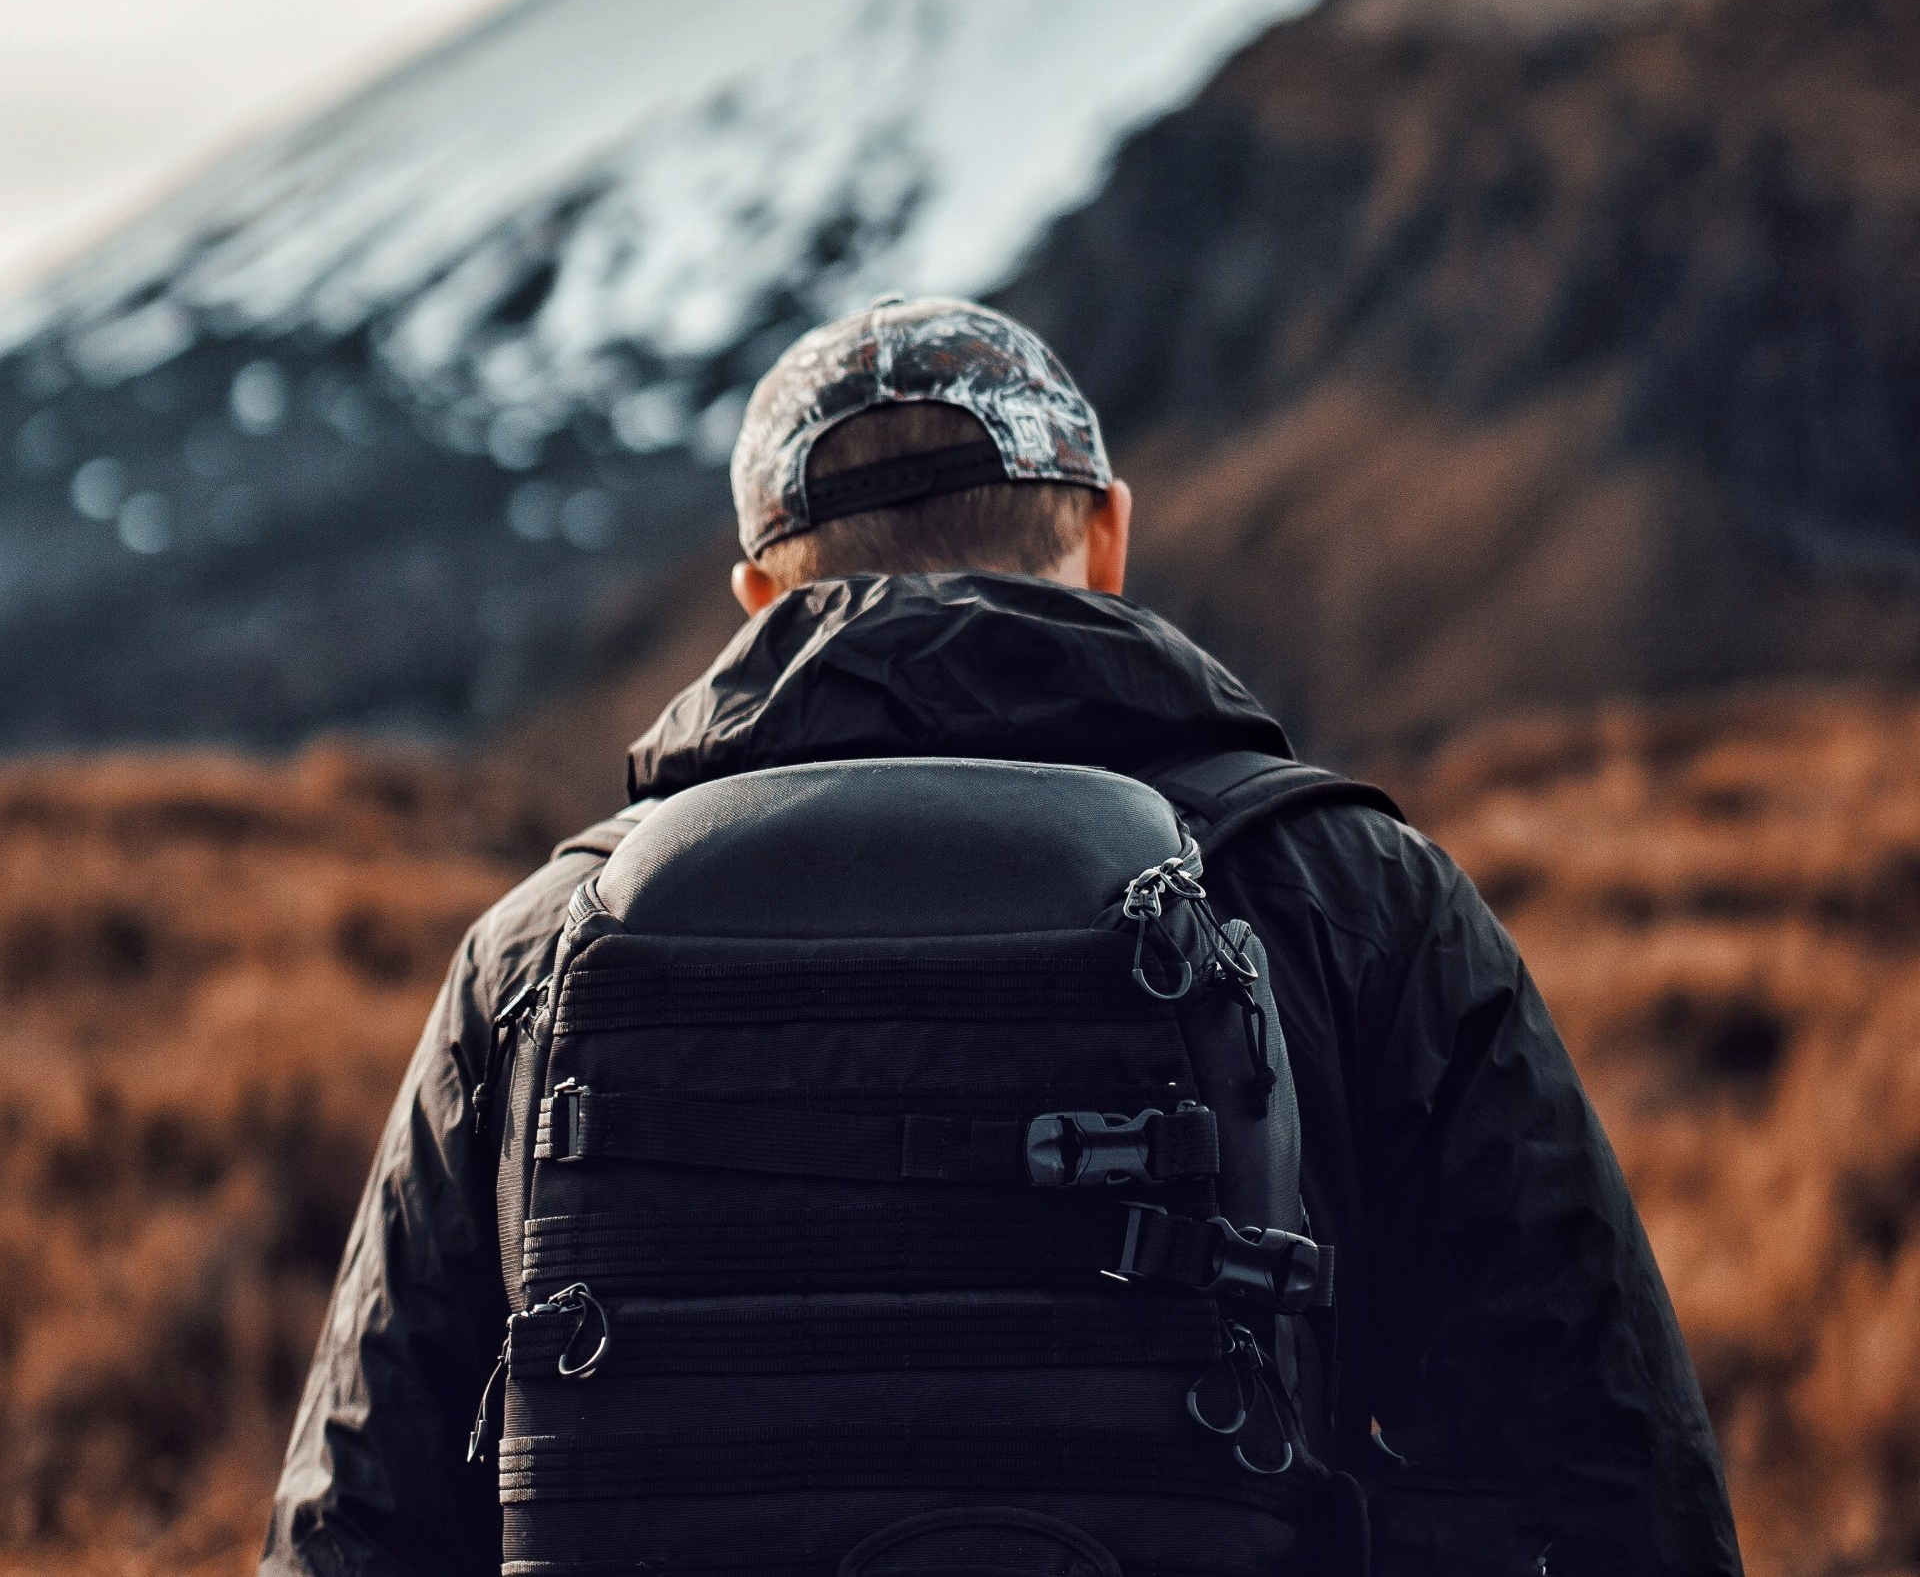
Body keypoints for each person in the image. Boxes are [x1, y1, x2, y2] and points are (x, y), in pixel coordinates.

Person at [260, 296, 1743, 1576]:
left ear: (760, 594)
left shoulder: (537, 950)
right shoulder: (1354, 894)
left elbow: (357, 1525)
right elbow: (1612, 1471)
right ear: (1105, 536)